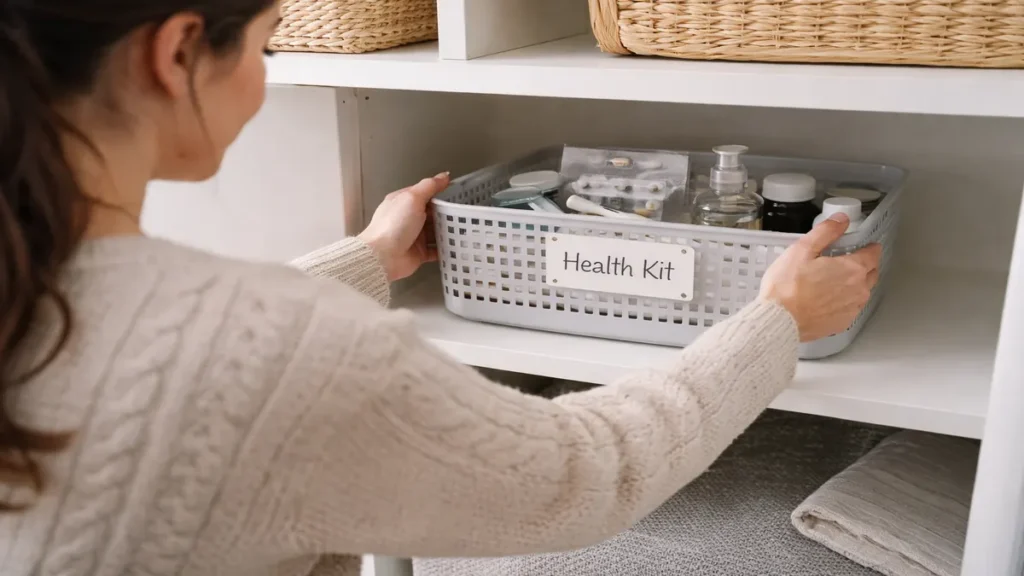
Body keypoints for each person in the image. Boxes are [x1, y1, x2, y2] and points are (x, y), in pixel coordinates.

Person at [0, 1, 881, 575]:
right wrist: (775, 322)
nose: (266, 73)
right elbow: (586, 473)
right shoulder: (282, 350)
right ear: (179, 51)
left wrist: (366, 263)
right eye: (265, 42)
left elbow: (178, 356)